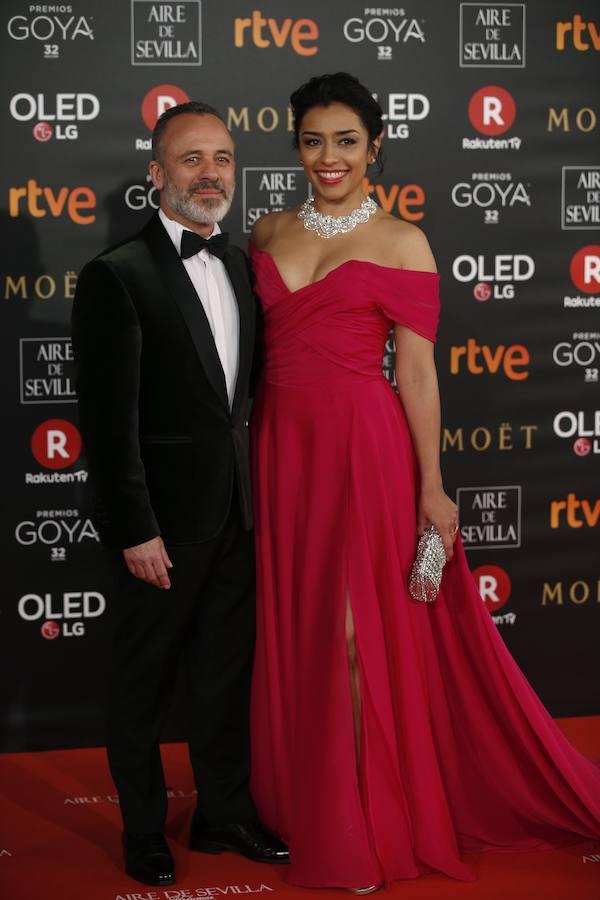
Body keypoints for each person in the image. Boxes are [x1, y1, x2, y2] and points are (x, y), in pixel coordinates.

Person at [248, 73, 600, 891]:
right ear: (295, 145)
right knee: (298, 632)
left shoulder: (405, 241)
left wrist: (432, 485)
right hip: (281, 452)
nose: (327, 157)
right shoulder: (264, 230)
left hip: (364, 451)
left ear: (376, 145)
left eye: (345, 140)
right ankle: (305, 803)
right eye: (312, 139)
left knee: (354, 637)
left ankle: (364, 821)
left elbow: (415, 370)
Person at [72, 101, 288, 887]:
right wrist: (135, 528)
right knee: (142, 682)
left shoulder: (240, 266)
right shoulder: (116, 277)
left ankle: (224, 813)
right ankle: (141, 829)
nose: (210, 173)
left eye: (223, 159)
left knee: (224, 678)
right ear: (157, 175)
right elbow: (107, 421)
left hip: (237, 516)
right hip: (159, 527)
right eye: (191, 159)